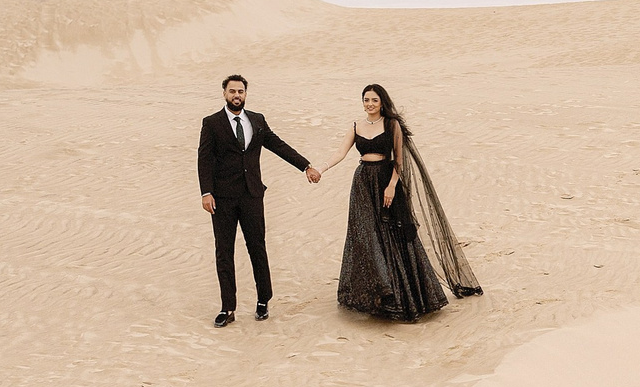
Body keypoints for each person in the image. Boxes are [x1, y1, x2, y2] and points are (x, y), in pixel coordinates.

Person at [322, 83, 483, 322]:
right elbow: (340, 153)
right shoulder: (357, 126)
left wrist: (391, 185)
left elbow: (399, 160)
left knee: (393, 234)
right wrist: (320, 169)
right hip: (363, 184)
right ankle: (378, 290)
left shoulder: (392, 125)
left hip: (386, 181)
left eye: (374, 100)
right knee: (366, 236)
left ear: (382, 102)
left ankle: (402, 296)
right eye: (366, 100)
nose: (370, 104)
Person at [196, 74, 319, 327]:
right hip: (222, 199)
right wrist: (206, 192)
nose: (236, 95)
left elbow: (278, 145)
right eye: (232, 91)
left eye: (240, 91)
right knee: (224, 252)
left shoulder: (257, 120)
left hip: (252, 195)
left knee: (257, 248)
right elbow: (204, 159)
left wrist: (305, 165)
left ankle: (263, 300)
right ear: (224, 93)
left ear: (246, 94)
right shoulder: (212, 123)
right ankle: (227, 308)